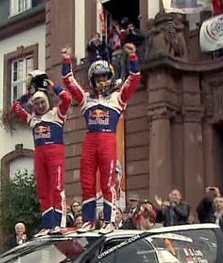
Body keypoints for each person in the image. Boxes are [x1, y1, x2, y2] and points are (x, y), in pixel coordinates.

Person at [61, 43, 141, 233]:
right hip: (90, 141)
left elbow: (135, 79)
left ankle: (110, 221)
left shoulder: (118, 97)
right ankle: (89, 220)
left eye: (105, 76)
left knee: (107, 182)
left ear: (110, 77)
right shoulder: (85, 98)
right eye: (98, 77)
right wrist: (66, 59)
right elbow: (68, 80)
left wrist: (133, 57)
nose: (102, 80)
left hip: (108, 140)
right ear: (92, 79)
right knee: (87, 181)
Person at [13, 76, 72, 235]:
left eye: (42, 102)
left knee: (57, 187)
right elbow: (16, 108)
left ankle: (59, 223)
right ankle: (48, 224)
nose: (39, 105)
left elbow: (67, 99)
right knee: (43, 190)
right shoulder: (33, 118)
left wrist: (53, 87)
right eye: (37, 103)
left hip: (55, 153)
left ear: (47, 102)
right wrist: (28, 93)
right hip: (39, 154)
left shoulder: (57, 114)